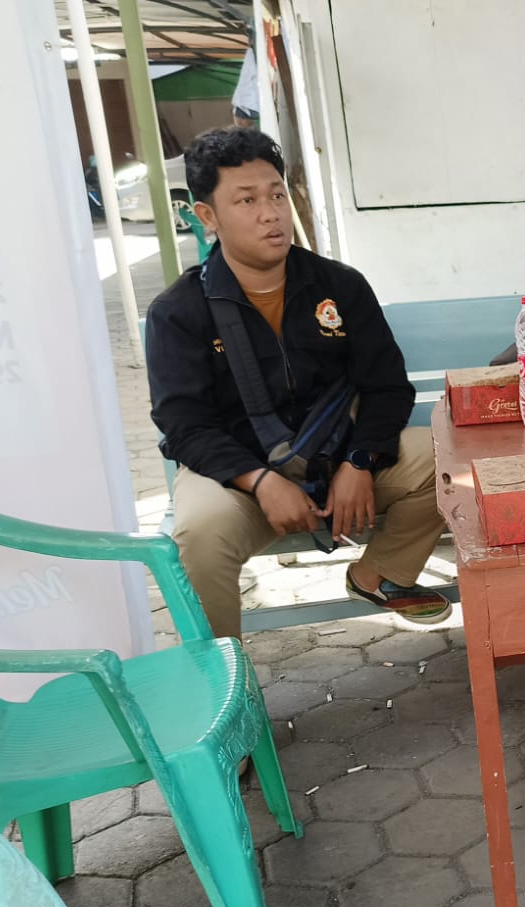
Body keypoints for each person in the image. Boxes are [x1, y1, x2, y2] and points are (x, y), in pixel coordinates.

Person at [148, 127, 448, 640]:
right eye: (247, 200)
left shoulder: (339, 286)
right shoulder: (179, 313)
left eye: (277, 195)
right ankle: (222, 674)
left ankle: (380, 573)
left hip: (339, 459)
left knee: (453, 463)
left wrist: (361, 460)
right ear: (208, 216)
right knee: (199, 533)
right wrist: (261, 481)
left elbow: (387, 387)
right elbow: (186, 427)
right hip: (238, 479)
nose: (270, 213)